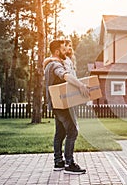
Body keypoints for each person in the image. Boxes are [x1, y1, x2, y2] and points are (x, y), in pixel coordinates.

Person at [44, 40, 89, 174]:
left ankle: (58, 162)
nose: (66, 52)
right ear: (57, 51)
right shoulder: (55, 65)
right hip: (61, 105)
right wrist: (80, 85)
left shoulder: (48, 64)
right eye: (64, 50)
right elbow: (64, 75)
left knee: (60, 133)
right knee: (72, 131)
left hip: (56, 104)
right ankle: (69, 164)